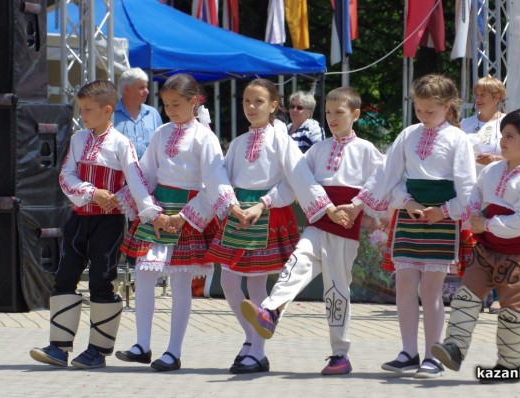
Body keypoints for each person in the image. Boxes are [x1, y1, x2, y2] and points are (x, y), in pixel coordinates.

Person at [201, 78, 344, 374]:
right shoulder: (238, 143)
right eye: (246, 101)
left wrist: (263, 203)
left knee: (255, 283)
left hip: (266, 212)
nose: (251, 107)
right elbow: (219, 178)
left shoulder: (281, 139)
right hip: (239, 212)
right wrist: (231, 204)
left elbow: (296, 180)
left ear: (274, 106)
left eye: (259, 102)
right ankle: (252, 338)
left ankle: (257, 352)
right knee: (227, 281)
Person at [240, 87, 383, 375]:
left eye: (339, 112)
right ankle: (269, 310)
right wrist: (264, 203)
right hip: (318, 222)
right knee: (296, 262)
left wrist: (357, 206)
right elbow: (294, 183)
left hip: (345, 228)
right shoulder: (317, 150)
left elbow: (381, 179)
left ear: (355, 115)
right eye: (328, 113)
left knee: (336, 292)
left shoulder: (366, 150)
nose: (332, 118)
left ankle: (340, 354)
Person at [341, 74, 476, 378]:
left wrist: (445, 211)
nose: (424, 116)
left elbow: (466, 184)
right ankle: (408, 352)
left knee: (431, 290)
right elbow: (387, 175)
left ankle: (433, 356)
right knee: (403, 286)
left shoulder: (458, 139)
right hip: (410, 215)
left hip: (441, 219)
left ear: (448, 107)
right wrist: (397, 202)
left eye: (431, 111)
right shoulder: (408, 134)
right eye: (419, 110)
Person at [29, 80, 161, 369]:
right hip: (78, 221)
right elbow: (65, 177)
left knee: (102, 281)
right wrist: (92, 192)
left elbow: (136, 181)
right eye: (82, 109)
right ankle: (58, 347)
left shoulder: (121, 144)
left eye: (88, 109)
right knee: (64, 277)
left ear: (107, 110)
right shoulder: (78, 140)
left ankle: (97, 352)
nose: (83, 115)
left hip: (109, 224)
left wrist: (149, 211)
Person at [114, 74, 237, 372]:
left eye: (176, 104)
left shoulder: (204, 137)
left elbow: (214, 182)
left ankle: (174, 351)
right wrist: (151, 211)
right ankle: (142, 344)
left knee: (180, 282)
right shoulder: (161, 133)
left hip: (187, 213)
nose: (170, 109)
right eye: (166, 104)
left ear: (194, 101)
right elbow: (146, 173)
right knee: (144, 273)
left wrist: (184, 217)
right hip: (158, 211)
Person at [431, 108, 520, 384]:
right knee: (466, 297)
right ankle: (455, 347)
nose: (502, 141)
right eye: (502, 135)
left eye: (510, 136)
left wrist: (484, 224)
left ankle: (508, 367)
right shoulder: (493, 170)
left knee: (512, 313)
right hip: (486, 251)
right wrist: (473, 214)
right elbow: (475, 194)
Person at [460, 76, 507, 314]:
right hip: (471, 189)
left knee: (496, 241)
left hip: (500, 189)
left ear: (497, 98)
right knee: (473, 243)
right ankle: (475, 293)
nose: (478, 99)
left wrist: (495, 159)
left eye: (484, 95)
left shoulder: (509, 123)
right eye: (476, 94)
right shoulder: (466, 123)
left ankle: (499, 295)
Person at [114, 67, 163, 159]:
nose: (147, 92)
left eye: (146, 87)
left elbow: (161, 145)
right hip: (121, 172)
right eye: (142, 88)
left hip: (148, 172)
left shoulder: (153, 113)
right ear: (126, 89)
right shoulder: (111, 114)